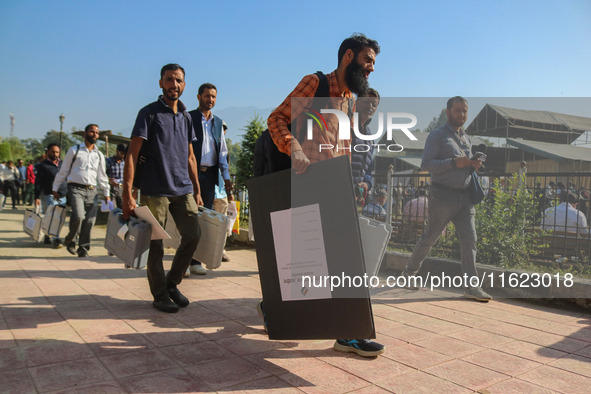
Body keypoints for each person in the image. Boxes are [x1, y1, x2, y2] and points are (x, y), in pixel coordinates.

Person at [267, 33, 384, 357]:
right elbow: (277, 119)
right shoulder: (315, 84)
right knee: (302, 263)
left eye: (374, 62)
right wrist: (295, 151)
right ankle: (275, 307)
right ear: (349, 56)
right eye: (367, 60)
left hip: (335, 188)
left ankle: (348, 334)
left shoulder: (348, 100)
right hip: (306, 185)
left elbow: (342, 147)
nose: (372, 68)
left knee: (345, 261)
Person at [122, 63, 203, 314]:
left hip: (183, 189)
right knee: (155, 245)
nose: (174, 85)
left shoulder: (188, 117)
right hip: (155, 189)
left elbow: (190, 156)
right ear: (161, 83)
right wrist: (127, 194)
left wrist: (197, 190)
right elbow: (132, 154)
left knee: (193, 235)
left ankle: (171, 284)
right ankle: (159, 294)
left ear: (184, 85)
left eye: (178, 80)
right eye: (169, 80)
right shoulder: (149, 113)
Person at [402, 96, 492, 302]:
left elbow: (463, 164)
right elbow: (426, 163)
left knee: (470, 240)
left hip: (465, 197)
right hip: (442, 196)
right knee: (431, 237)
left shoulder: (466, 138)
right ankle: (409, 273)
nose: (462, 114)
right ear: (448, 111)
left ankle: (471, 287)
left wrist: (472, 164)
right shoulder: (438, 135)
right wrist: (453, 163)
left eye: (465, 111)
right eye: (458, 110)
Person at [187, 83, 233, 276]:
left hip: (209, 177)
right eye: (207, 96)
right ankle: (185, 260)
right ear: (198, 97)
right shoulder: (188, 118)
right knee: (189, 218)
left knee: (204, 219)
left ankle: (196, 261)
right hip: (190, 175)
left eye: (213, 97)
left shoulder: (217, 123)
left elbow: (222, 154)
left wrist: (227, 178)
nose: (210, 100)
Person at [52, 124, 110, 257]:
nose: (94, 134)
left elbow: (102, 176)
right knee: (79, 216)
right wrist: (55, 188)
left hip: (92, 191)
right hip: (75, 188)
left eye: (96, 132)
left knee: (90, 221)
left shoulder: (99, 155)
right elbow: (63, 171)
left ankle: (83, 249)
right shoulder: (74, 150)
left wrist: (106, 193)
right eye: (92, 132)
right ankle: (70, 240)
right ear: (85, 133)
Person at [351, 88, 380, 206]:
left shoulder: (370, 138)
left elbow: (368, 170)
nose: (370, 106)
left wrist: (366, 184)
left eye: (374, 104)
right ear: (357, 102)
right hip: (337, 190)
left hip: (355, 197)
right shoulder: (345, 126)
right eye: (366, 101)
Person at [35, 143, 67, 247]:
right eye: (52, 151)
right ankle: (56, 239)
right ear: (47, 152)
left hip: (62, 195)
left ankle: (48, 235)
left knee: (57, 217)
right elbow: (38, 182)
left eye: (57, 152)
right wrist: (36, 197)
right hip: (48, 195)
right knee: (52, 216)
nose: (55, 154)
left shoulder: (63, 164)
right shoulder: (42, 166)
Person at [106, 143, 126, 208]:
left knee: (122, 210)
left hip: (122, 189)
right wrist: (108, 179)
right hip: (111, 189)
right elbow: (102, 175)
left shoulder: (125, 162)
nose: (123, 156)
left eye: (124, 154)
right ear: (117, 151)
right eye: (121, 154)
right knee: (111, 210)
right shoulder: (108, 161)